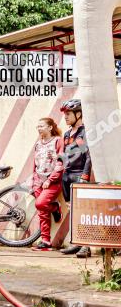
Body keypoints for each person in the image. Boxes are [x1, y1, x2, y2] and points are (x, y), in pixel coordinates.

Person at [58, 99, 93, 258]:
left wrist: (85, 176)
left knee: (82, 212)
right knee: (72, 212)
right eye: (64, 114)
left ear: (78, 114)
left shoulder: (84, 132)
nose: (65, 117)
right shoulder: (66, 134)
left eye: (68, 114)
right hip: (66, 176)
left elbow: (88, 156)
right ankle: (76, 243)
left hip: (79, 175)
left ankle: (86, 246)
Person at [30, 118, 64, 251]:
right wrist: (34, 183)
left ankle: (55, 208)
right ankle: (45, 241)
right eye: (37, 126)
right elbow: (35, 164)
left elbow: (61, 162)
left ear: (50, 127)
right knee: (42, 212)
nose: (38, 128)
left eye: (41, 126)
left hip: (53, 181)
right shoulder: (38, 144)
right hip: (39, 181)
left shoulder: (58, 141)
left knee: (40, 204)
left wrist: (51, 179)